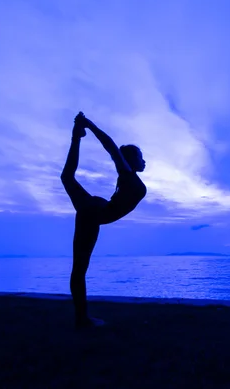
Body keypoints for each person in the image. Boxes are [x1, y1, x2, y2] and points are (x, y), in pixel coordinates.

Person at [60, 112, 147, 329]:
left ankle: (76, 136)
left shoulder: (131, 178)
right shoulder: (126, 174)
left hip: (96, 209)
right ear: (129, 160)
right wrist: (90, 124)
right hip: (93, 213)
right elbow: (111, 146)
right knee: (79, 269)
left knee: (66, 178)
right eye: (140, 156)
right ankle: (82, 319)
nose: (144, 160)